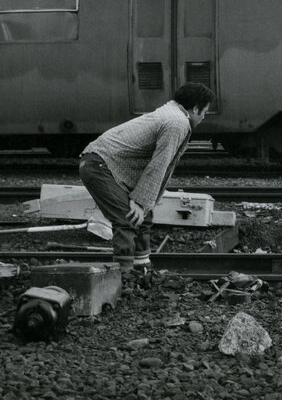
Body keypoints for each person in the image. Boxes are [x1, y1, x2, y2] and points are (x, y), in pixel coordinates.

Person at [79, 82, 215, 272]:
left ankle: (142, 270)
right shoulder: (177, 123)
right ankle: (124, 278)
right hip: (100, 165)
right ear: (194, 108)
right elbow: (159, 164)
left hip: (104, 164)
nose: (203, 117)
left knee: (143, 217)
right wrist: (140, 201)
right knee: (127, 218)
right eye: (204, 112)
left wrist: (143, 203)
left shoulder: (171, 112)